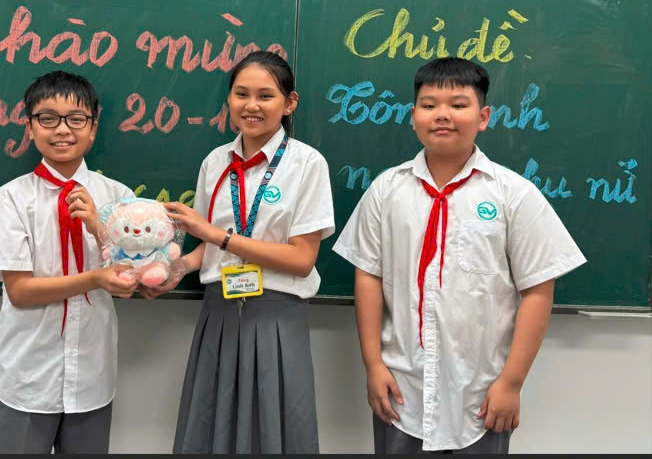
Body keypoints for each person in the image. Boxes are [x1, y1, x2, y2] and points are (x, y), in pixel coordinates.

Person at [332, 57, 587, 454]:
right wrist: (373, 364)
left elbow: (538, 289)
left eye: (458, 104)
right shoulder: (386, 190)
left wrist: (512, 382)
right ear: (413, 116)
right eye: (429, 104)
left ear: (483, 116)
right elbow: (368, 276)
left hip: (482, 392)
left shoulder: (513, 195)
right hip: (401, 386)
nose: (442, 115)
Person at [141, 51, 335, 453]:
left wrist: (218, 236)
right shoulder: (215, 162)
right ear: (228, 99)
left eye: (266, 96)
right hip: (218, 313)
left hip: (277, 316)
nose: (251, 105)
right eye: (241, 94)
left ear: (290, 103)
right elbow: (207, 247)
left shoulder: (306, 164)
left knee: (276, 435)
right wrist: (178, 268)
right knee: (211, 432)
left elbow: (302, 260)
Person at [0, 70, 138, 454]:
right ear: (30, 128)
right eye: (48, 118)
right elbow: (20, 292)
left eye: (76, 119)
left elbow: (132, 278)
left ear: (93, 129)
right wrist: (95, 278)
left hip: (92, 371)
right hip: (28, 373)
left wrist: (98, 226)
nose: (62, 129)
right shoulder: (10, 199)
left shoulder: (119, 197)